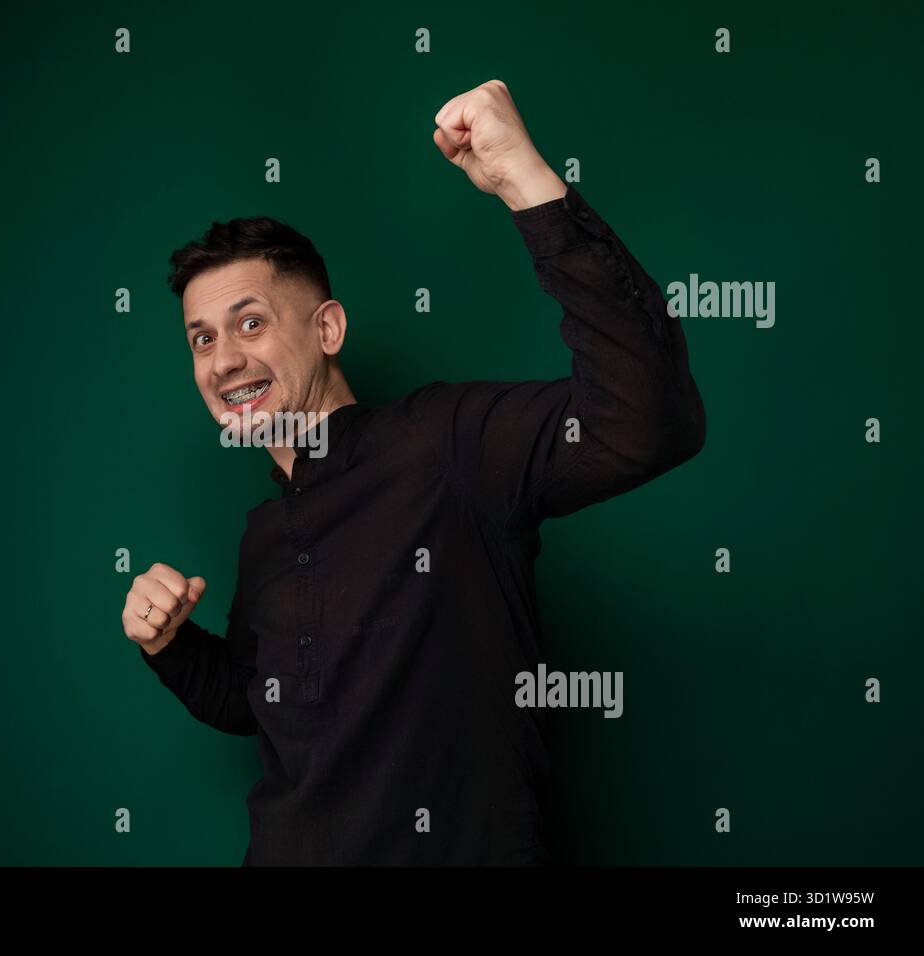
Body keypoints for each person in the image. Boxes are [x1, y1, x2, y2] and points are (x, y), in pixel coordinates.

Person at [122, 79, 706, 865]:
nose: (224, 360)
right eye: (201, 340)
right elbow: (260, 706)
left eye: (250, 323)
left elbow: (648, 421)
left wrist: (525, 181)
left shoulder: (446, 444)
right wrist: (168, 643)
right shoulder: (264, 532)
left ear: (327, 328)